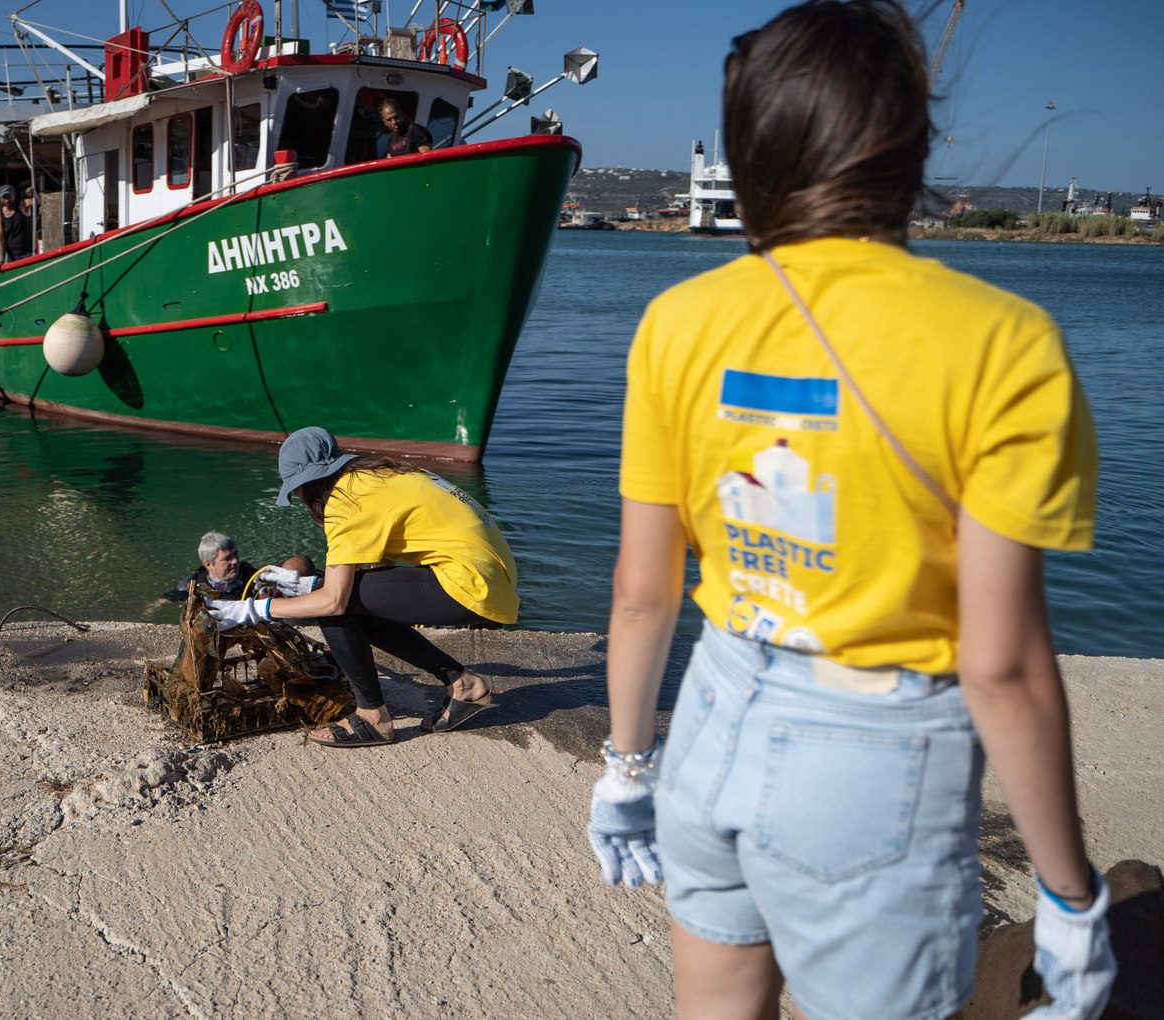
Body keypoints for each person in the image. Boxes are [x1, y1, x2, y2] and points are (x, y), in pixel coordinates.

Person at [588, 4, 1115, 1020]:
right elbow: (1000, 666)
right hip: (874, 761)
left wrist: (624, 768)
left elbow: (642, 593)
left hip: (713, 717)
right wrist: (1068, 895)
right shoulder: (1004, 343)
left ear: (750, 150)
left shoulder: (677, 323)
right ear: (912, 144)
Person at [206, 427, 515, 747]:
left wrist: (251, 609)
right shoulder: (373, 477)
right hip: (491, 578)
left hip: (471, 584)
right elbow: (380, 574)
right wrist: (315, 592)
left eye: (297, 490)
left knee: (333, 605)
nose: (299, 498)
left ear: (307, 483)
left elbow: (334, 601)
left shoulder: (344, 501)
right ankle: (461, 683)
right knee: (348, 601)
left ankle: (373, 717)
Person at [161, 530, 317, 602]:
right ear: (209, 565)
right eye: (227, 558)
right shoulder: (193, 584)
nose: (235, 561)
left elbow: (300, 562)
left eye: (235, 554)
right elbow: (165, 600)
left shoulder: (251, 576)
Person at [0, 183, 33, 264]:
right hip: (11, 255)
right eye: (4, 197)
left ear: (14, 196)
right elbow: (1, 239)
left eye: (9, 197)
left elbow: (37, 202)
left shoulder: (22, 205)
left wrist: (33, 194)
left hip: (27, 253)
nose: (7, 200)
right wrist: (1, 260)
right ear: (0, 199)